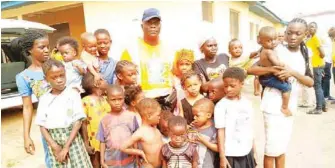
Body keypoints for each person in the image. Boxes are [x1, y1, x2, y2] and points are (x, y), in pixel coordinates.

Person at [247, 18, 314, 168]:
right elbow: (251, 70)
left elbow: (310, 82)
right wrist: (271, 70)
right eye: (289, 33)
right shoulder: (274, 48)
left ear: (306, 34)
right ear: (285, 32)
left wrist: (293, 72)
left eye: (298, 33)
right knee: (271, 149)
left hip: (290, 107)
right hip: (273, 106)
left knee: (282, 147)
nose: (293, 37)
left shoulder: (305, 52)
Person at [35, 59, 92, 167]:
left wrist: (66, 147)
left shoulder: (73, 94)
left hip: (72, 139)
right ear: (45, 79)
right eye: (54, 77)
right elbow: (42, 125)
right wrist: (54, 145)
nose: (59, 80)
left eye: (62, 75)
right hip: (54, 140)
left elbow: (78, 122)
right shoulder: (44, 98)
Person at [120, 8, 174, 104]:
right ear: (142, 26)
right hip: (143, 100)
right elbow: (123, 79)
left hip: (166, 99)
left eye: (156, 23)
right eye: (149, 23)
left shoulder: (169, 47)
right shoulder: (131, 49)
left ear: (160, 26)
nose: (153, 26)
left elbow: (175, 74)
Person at [15, 30, 51, 167]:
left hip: (70, 120)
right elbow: (27, 107)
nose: (47, 50)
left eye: (48, 46)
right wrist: (26, 135)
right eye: (42, 47)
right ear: (30, 50)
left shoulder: (58, 67)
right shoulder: (24, 77)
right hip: (48, 125)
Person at [215, 67, 257, 168]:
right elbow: (220, 131)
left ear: (242, 84)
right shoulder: (221, 106)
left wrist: (254, 150)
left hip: (247, 151)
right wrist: (222, 156)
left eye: (232, 86)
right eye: (225, 86)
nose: (228, 89)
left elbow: (250, 128)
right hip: (230, 154)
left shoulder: (247, 103)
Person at [96, 84, 139, 168]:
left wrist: (137, 157)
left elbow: (135, 138)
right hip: (111, 161)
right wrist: (102, 161)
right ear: (107, 100)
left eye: (120, 99)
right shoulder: (104, 120)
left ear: (124, 98)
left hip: (129, 160)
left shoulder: (131, 116)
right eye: (113, 100)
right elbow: (102, 141)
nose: (117, 103)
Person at [258, 26, 292, 116]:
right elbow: (277, 63)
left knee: (284, 80)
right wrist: (284, 64)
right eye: (269, 41)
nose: (273, 42)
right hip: (269, 78)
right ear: (261, 41)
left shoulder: (263, 50)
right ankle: (284, 107)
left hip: (265, 77)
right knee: (287, 88)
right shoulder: (269, 52)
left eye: (274, 39)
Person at [121, 98, 164, 168]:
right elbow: (122, 147)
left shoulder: (155, 129)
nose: (159, 117)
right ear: (149, 116)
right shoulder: (141, 132)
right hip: (149, 165)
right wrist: (139, 152)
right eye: (158, 115)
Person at [81, 72, 111, 168]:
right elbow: (83, 123)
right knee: (96, 161)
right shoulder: (85, 101)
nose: (106, 81)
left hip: (108, 137)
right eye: (102, 79)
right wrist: (86, 142)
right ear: (96, 84)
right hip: (94, 139)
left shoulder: (106, 98)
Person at [189, 98, 218, 168]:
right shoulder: (194, 126)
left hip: (206, 165)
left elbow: (218, 148)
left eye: (197, 115)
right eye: (193, 115)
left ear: (208, 115)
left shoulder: (214, 129)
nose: (194, 118)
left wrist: (203, 140)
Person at [306, 22, 327, 114]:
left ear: (316, 29)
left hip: (317, 65)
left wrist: (318, 61)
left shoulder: (316, 39)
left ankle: (318, 108)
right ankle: (323, 106)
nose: (311, 28)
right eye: (309, 27)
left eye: (313, 27)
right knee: (318, 86)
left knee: (317, 86)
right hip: (315, 65)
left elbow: (323, 54)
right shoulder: (310, 39)